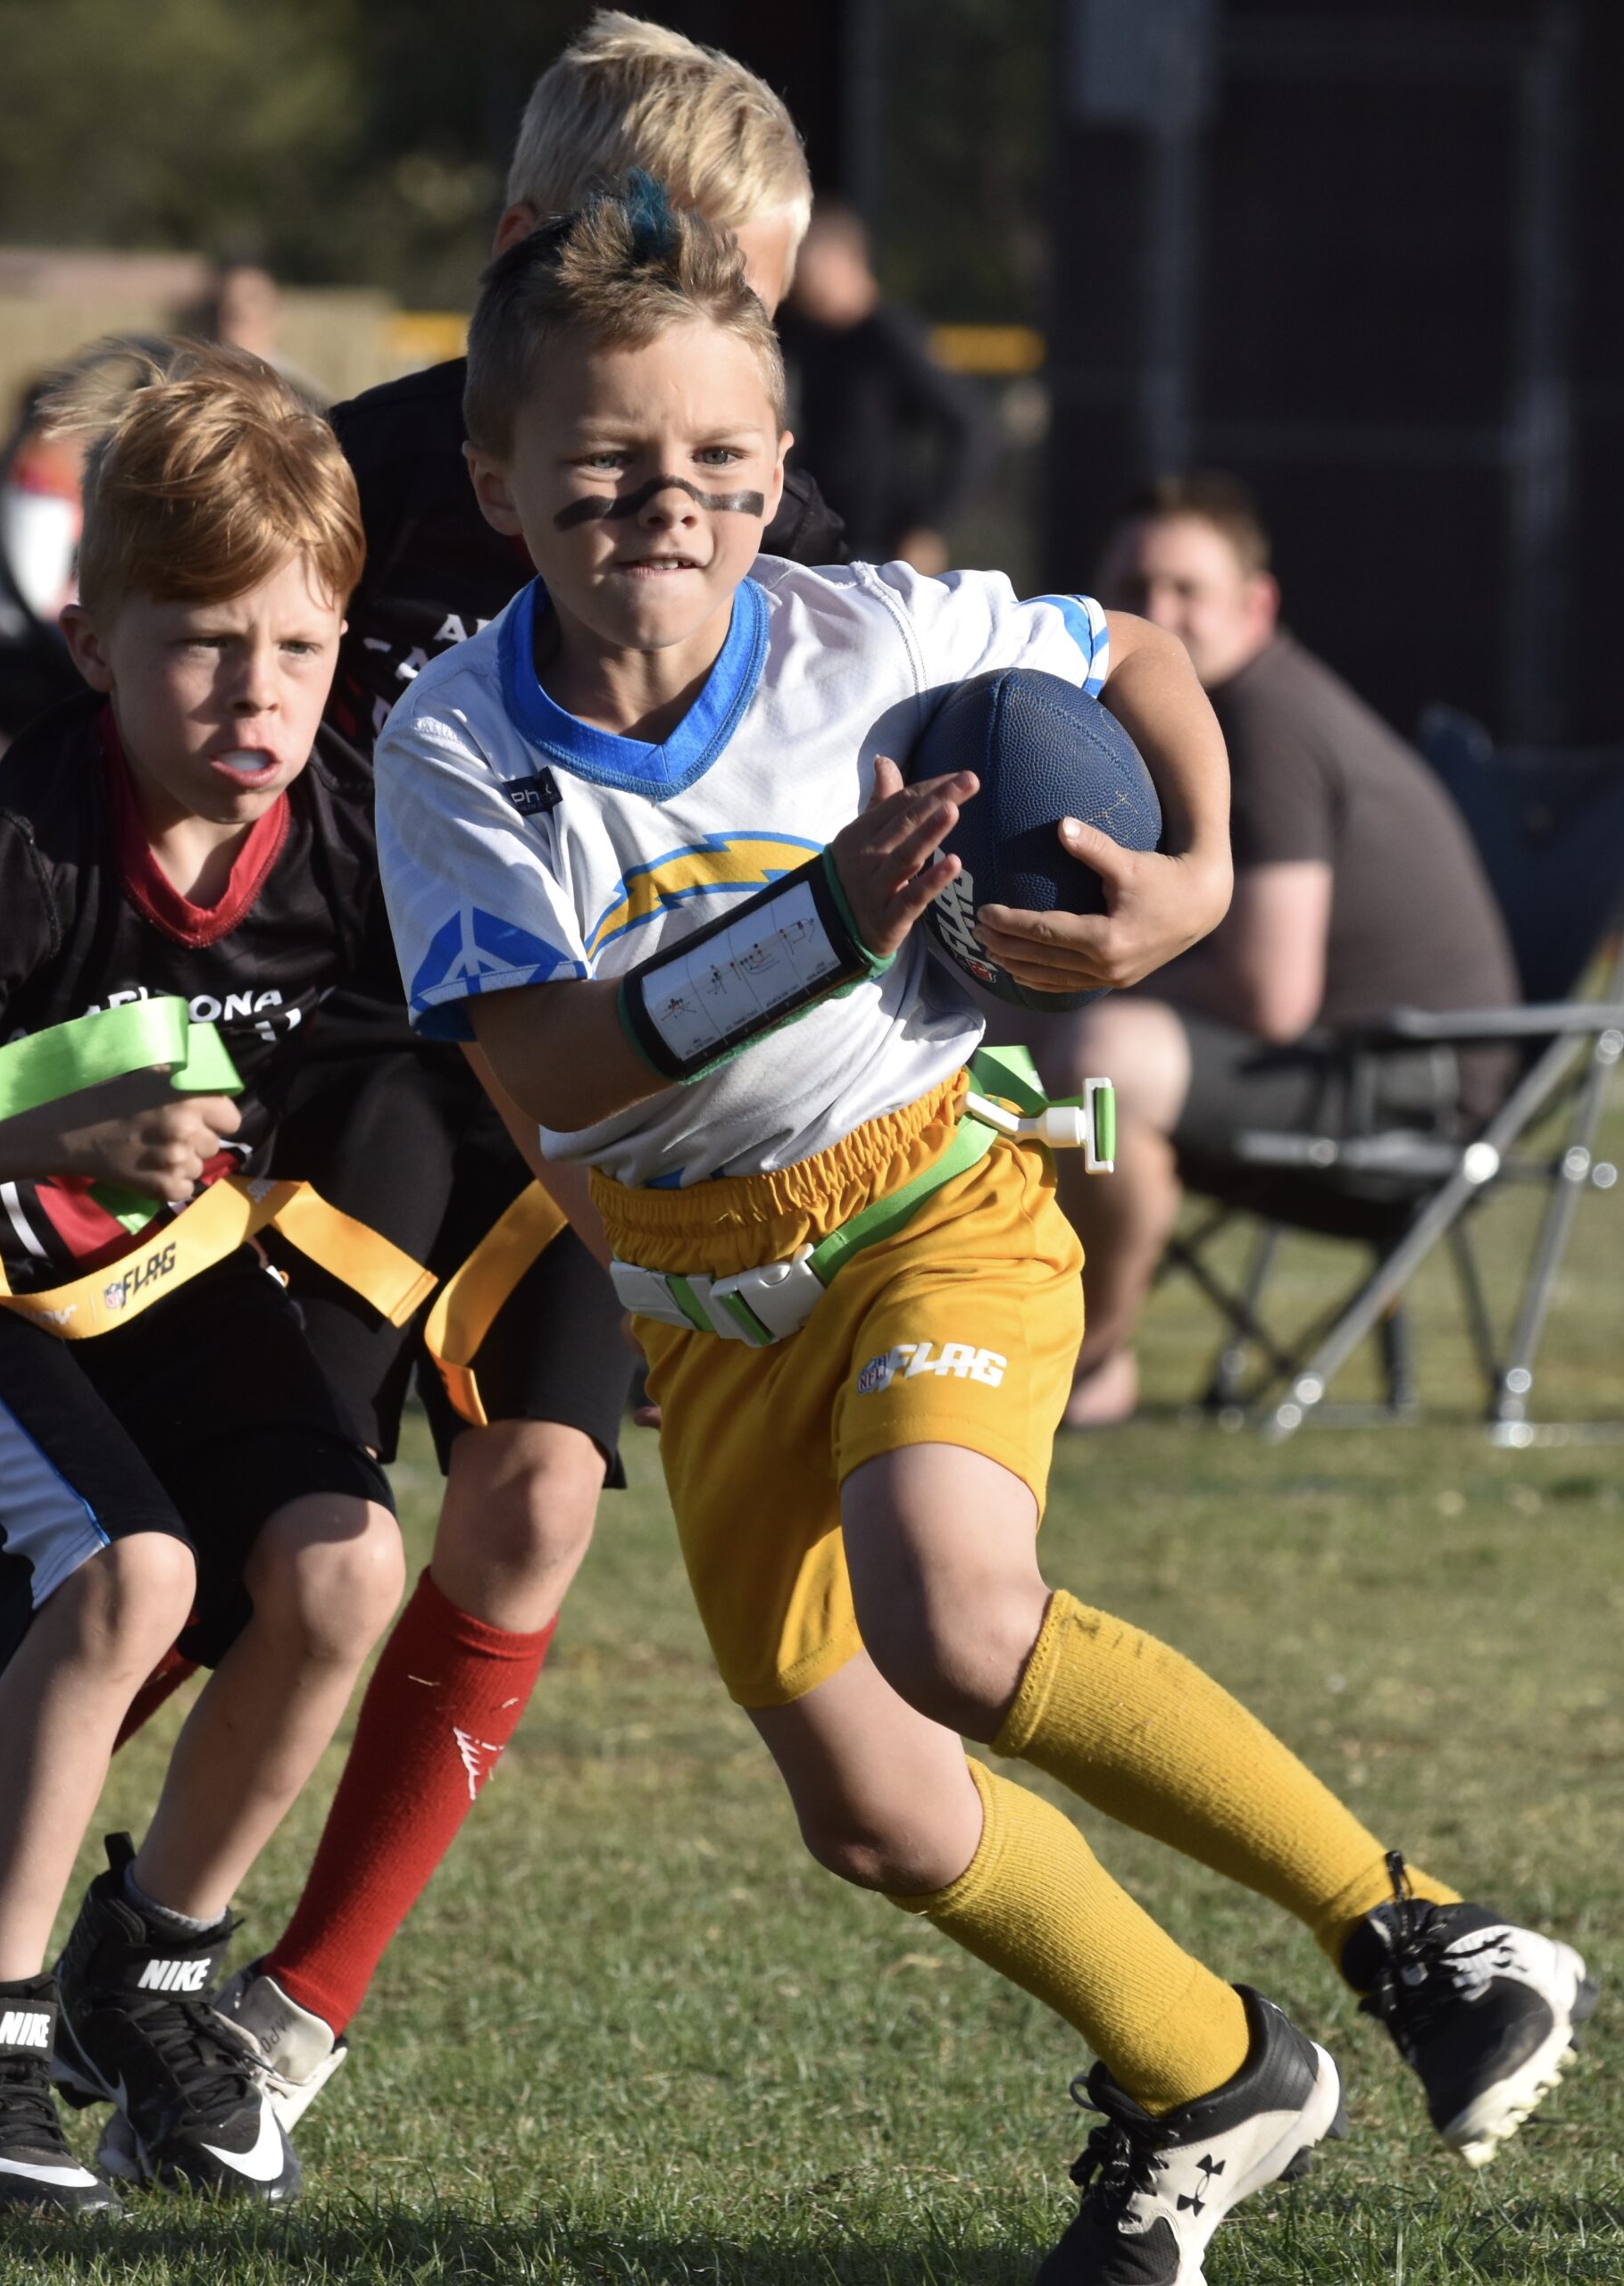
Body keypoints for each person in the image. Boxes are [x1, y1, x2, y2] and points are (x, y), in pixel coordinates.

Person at [372, 182, 1594, 2281]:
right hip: (695, 1293)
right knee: (871, 1805)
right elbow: (561, 1071)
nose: (663, 501)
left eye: (717, 464)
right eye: (599, 464)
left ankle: (1413, 1929)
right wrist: (815, 920)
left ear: (774, 472)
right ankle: (1207, 2072)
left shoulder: (876, 637)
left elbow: (1130, 650)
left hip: (931, 1191)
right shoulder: (454, 744)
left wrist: (1192, 878)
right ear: (496, 483)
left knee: (952, 1614)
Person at [0, 7, 843, 2147]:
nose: (709, 356)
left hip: (591, 1090)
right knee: (262, 1549)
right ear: (520, 253)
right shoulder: (352, 490)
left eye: (751, 314)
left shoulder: (766, 527)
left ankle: (278, 2011)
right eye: (679, 279)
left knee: (540, 1497)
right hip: (361, 1076)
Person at [0, 341, 412, 2212]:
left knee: (343, 1563)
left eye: (297, 647)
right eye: (206, 642)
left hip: (145, 1256)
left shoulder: (354, 814)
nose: (258, 690)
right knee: (130, 1571)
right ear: (91, 644)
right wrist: (39, 1137)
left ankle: (152, 1969)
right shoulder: (36, 838)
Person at [1037, 473, 1522, 1427]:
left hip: (1410, 1096)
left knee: (1100, 1062)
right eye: (1134, 586)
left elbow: (1269, 994)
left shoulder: (1262, 723)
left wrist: (1079, 982)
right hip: (1331, 1063)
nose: (1158, 614)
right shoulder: (1203, 711)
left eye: (1188, 591)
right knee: (1020, 1014)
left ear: (1257, 605)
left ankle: (1088, 1363)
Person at [776, 198, 986, 572]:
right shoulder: (805, 336)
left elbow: (972, 425)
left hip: (879, 548)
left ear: (844, 262)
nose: (799, 280)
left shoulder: (891, 336)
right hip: (816, 539)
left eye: (808, 263)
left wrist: (927, 525)